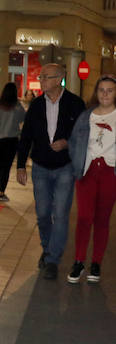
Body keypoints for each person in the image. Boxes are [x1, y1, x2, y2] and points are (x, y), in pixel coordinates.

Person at [16, 62, 86, 280]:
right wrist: (20, 165)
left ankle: (53, 260)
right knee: (43, 213)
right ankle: (47, 249)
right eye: (41, 77)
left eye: (46, 77)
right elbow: (26, 136)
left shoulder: (75, 104)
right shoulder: (36, 105)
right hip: (40, 167)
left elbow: (83, 135)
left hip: (65, 167)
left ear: (59, 79)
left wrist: (67, 143)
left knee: (61, 214)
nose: (42, 80)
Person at [66, 75, 116, 284]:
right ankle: (79, 261)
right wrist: (78, 163)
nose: (105, 94)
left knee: (102, 220)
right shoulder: (86, 116)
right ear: (96, 92)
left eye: (110, 90)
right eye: (101, 90)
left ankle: (96, 263)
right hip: (87, 173)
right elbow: (73, 143)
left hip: (110, 174)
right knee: (84, 217)